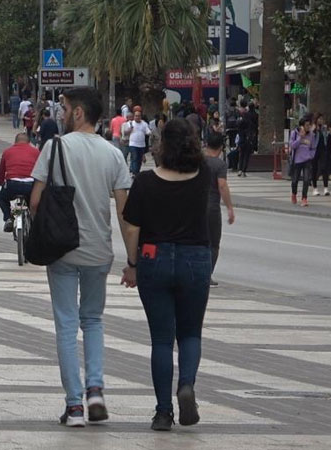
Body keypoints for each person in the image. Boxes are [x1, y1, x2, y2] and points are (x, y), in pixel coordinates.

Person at [29, 87, 130, 428]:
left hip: (62, 249)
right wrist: (132, 260)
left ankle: (74, 406)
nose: (60, 113)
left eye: (64, 107)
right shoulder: (113, 154)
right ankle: (96, 390)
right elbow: (123, 209)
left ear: (79, 113)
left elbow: (35, 200)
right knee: (94, 320)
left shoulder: (54, 147)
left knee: (67, 325)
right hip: (98, 251)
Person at [120, 118, 212, 432]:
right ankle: (186, 385)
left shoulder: (145, 182)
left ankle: (162, 413)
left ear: (161, 145)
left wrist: (132, 264)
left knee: (161, 340)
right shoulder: (204, 177)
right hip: (195, 258)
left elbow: (132, 226)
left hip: (154, 257)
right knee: (190, 333)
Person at [203, 132, 235, 286]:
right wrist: (230, 208)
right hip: (211, 208)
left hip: (194, 206)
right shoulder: (220, 165)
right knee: (213, 243)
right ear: (221, 147)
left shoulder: (197, 161)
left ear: (206, 144)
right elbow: (222, 185)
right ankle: (206, 275)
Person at [0, 133, 39, 231]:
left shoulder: (7, 152)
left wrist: (0, 182)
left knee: (2, 199)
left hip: (12, 184)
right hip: (30, 185)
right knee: (34, 203)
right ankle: (34, 223)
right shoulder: (36, 152)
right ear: (29, 142)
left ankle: (8, 218)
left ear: (15, 142)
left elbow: (1, 170)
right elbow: (41, 169)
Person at [289, 117, 318, 207]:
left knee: (306, 180)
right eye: (307, 125)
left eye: (309, 125)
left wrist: (311, 155)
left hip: (307, 160)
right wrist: (300, 138)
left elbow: (313, 147)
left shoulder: (311, 135)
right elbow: (292, 146)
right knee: (295, 180)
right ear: (302, 126)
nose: (309, 127)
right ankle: (294, 194)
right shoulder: (294, 133)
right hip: (297, 160)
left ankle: (304, 198)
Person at [123, 110, 151, 175]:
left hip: (141, 145)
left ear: (141, 117)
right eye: (136, 116)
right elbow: (125, 132)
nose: (137, 117)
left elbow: (148, 131)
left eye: (138, 116)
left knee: (139, 160)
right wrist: (129, 130)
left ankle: (136, 171)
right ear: (134, 117)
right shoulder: (130, 123)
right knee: (134, 158)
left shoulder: (144, 124)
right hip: (133, 144)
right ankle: (135, 172)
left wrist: (149, 133)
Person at [311, 114, 330, 196]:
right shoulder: (313, 128)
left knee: (324, 168)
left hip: (323, 151)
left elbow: (327, 138)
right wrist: (315, 130)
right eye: (319, 119)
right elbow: (311, 138)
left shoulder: (324, 129)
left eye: (322, 119)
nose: (321, 121)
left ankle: (326, 188)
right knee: (314, 169)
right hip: (314, 151)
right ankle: (315, 188)